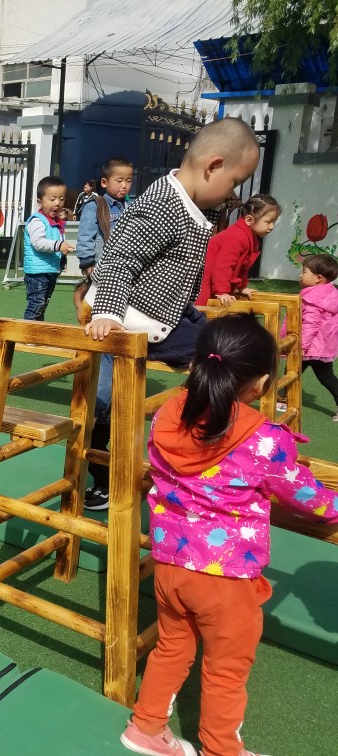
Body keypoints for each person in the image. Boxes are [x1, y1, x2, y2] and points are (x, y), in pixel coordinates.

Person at [119, 313, 338, 756]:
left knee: (172, 646)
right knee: (225, 670)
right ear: (261, 383)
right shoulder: (264, 439)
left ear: (197, 365)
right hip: (227, 578)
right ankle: (221, 749)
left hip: (170, 564)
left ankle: (145, 728)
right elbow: (306, 498)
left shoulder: (168, 414)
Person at [82, 117, 261, 511]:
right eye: (234, 181)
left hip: (168, 311)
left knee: (223, 342)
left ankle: (209, 437)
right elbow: (120, 258)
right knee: (216, 358)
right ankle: (203, 445)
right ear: (213, 166)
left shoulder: (190, 204)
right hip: (135, 317)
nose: (232, 193)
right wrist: (108, 312)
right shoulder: (163, 205)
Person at [195, 194, 281, 307]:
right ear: (249, 220)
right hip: (204, 280)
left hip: (213, 280)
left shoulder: (249, 237)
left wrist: (241, 287)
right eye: (268, 222)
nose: (271, 227)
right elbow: (223, 266)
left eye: (274, 222)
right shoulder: (236, 236)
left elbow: (242, 267)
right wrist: (222, 291)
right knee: (201, 308)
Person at [73, 157, 133, 316]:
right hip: (102, 264)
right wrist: (87, 262)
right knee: (96, 306)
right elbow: (85, 235)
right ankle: (82, 301)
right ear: (104, 182)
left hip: (124, 265)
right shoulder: (95, 205)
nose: (124, 185)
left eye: (128, 181)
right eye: (119, 180)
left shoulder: (130, 207)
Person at [23, 176, 75, 321]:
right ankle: (28, 331)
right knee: (36, 304)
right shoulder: (37, 220)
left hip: (50, 270)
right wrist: (59, 245)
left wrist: (62, 260)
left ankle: (37, 328)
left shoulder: (56, 222)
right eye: (52, 199)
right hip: (38, 272)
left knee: (43, 304)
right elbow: (38, 242)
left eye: (61, 199)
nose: (57, 203)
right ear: (40, 202)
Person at [298, 253, 338, 420]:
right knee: (325, 375)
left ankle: (285, 397)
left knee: (295, 371)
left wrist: (301, 346)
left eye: (304, 271)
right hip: (323, 346)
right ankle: (286, 396)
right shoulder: (330, 293)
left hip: (311, 347)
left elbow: (310, 325)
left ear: (318, 278)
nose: (300, 275)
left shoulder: (312, 298)